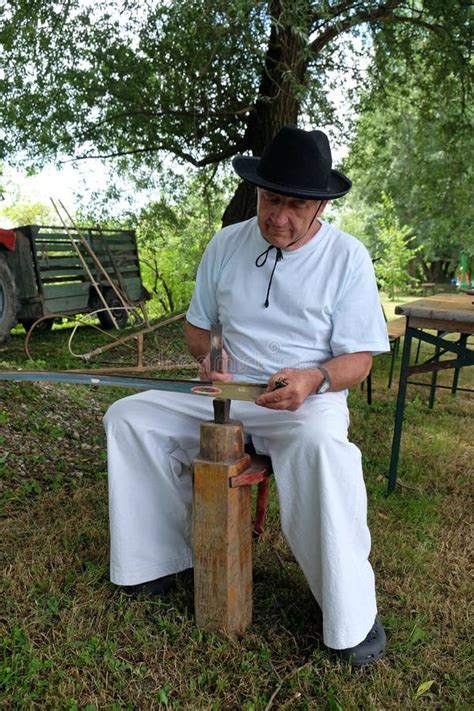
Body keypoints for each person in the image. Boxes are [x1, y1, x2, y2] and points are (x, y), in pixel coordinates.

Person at [104, 125, 390, 666]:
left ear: (320, 207)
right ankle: (161, 560)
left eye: (295, 205)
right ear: (257, 192)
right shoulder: (226, 243)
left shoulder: (347, 258)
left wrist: (312, 378)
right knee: (130, 417)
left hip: (304, 402)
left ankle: (351, 615)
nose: (278, 216)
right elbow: (197, 329)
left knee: (324, 452)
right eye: (270, 199)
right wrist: (210, 353)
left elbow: (360, 360)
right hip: (224, 393)